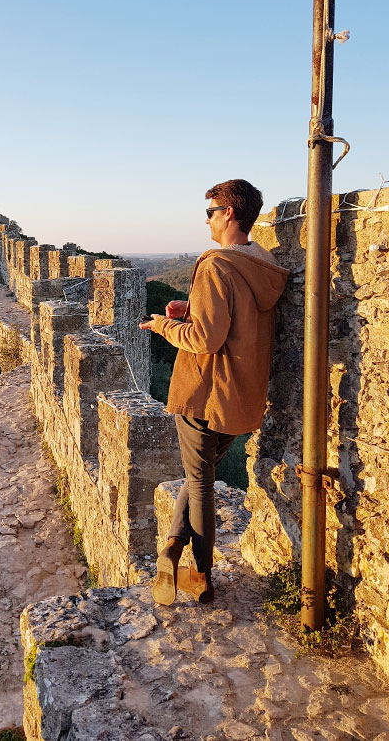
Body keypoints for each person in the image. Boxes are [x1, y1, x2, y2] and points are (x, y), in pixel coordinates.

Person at [140, 180, 288, 605]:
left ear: (229, 214)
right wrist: (190, 309)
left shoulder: (215, 266)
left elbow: (204, 340)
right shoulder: (260, 262)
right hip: (241, 395)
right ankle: (171, 549)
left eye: (210, 211)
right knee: (197, 474)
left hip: (205, 392)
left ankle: (202, 577)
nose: (205, 218)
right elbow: (235, 318)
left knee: (201, 483)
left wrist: (164, 325)